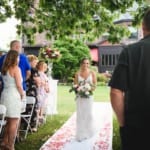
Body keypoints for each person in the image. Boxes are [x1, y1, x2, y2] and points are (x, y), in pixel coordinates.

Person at [109, 8, 150, 150]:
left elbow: (116, 92)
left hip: (136, 128)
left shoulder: (130, 51)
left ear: (143, 27)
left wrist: (122, 124)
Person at [0, 50, 24, 150]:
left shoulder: (3, 69)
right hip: (13, 95)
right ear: (15, 58)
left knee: (8, 121)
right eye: (18, 57)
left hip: (5, 95)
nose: (19, 59)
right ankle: (10, 145)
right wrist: (22, 94)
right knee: (14, 121)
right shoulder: (16, 69)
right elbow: (18, 85)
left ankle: (4, 143)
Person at [74, 57, 97, 142]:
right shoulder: (77, 74)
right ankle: (81, 133)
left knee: (88, 113)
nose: (86, 65)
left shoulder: (92, 73)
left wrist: (88, 89)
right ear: (81, 64)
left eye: (87, 63)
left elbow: (95, 86)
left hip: (89, 96)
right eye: (84, 63)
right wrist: (80, 90)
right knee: (80, 114)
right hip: (80, 97)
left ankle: (89, 131)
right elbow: (75, 86)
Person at [21, 55, 40, 132]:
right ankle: (31, 126)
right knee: (33, 107)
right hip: (32, 89)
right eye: (35, 62)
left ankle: (24, 124)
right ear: (31, 61)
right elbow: (38, 81)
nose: (36, 63)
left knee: (25, 107)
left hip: (25, 89)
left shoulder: (24, 69)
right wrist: (39, 83)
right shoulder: (34, 70)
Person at [36, 61, 50, 125]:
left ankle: (40, 118)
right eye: (43, 66)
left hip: (44, 91)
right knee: (39, 105)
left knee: (42, 105)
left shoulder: (44, 74)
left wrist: (47, 88)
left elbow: (46, 82)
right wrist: (45, 85)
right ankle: (38, 119)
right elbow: (42, 82)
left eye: (45, 66)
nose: (45, 67)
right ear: (39, 66)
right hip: (40, 91)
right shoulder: (39, 73)